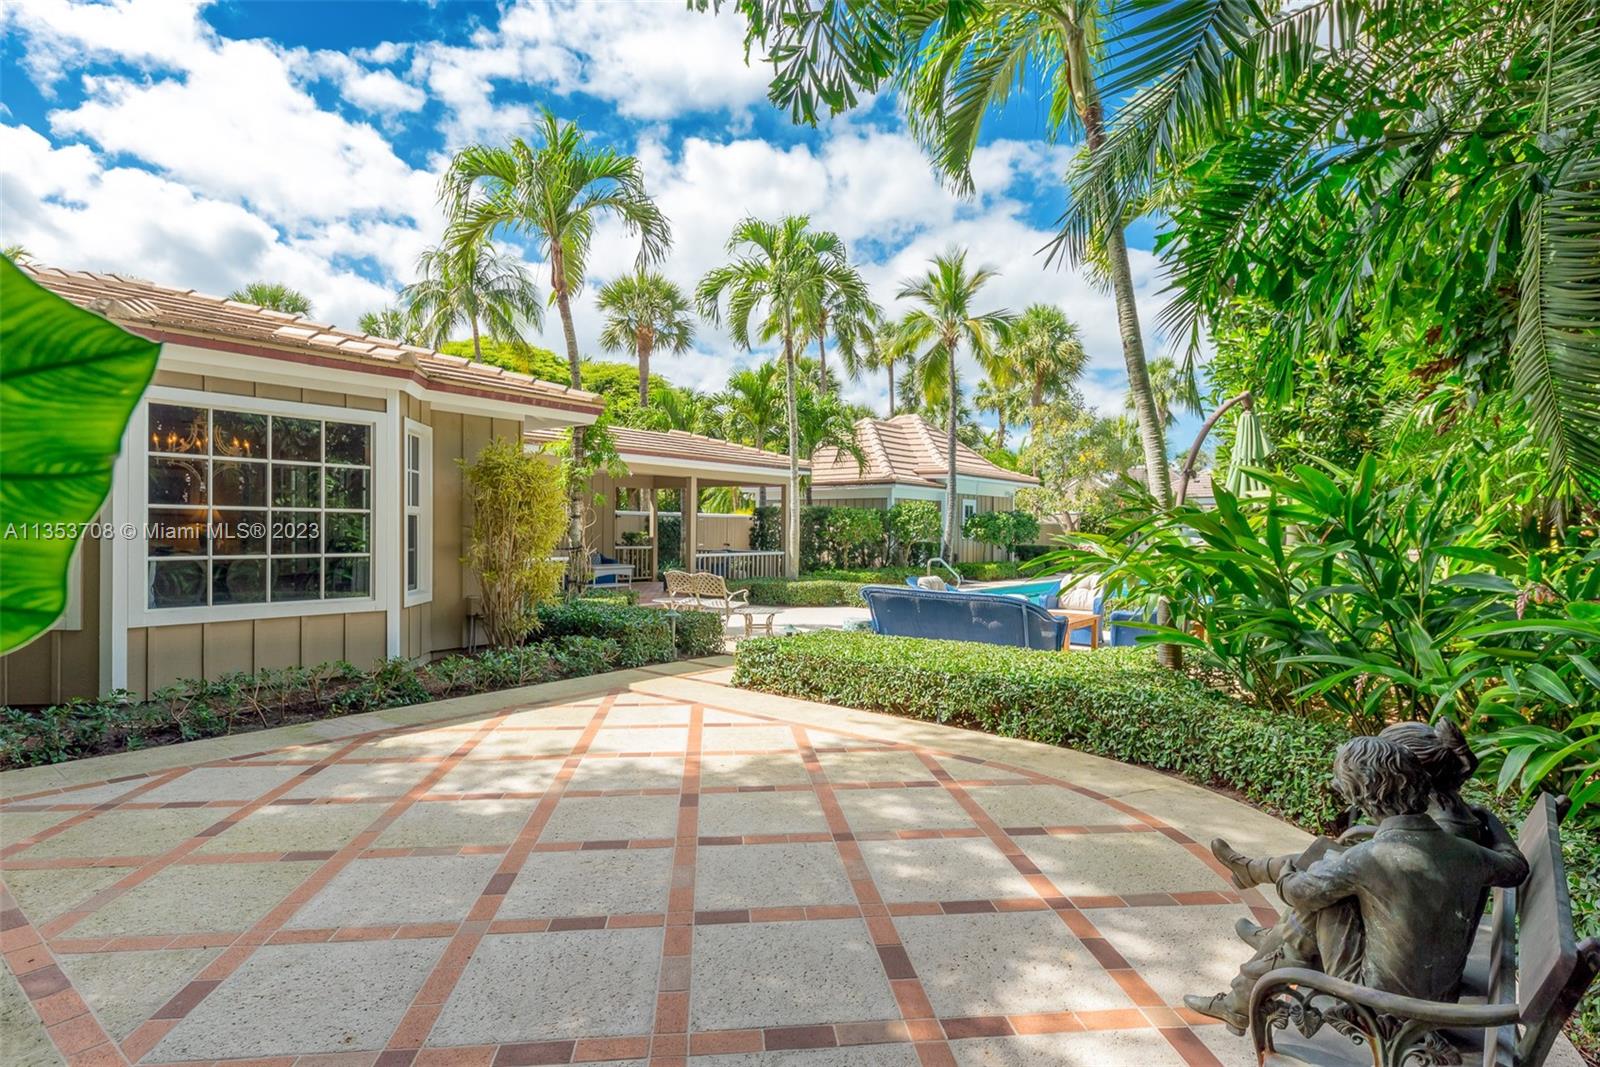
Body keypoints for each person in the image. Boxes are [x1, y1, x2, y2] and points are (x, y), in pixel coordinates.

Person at [1183, 734, 1528, 1034]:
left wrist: (1287, 870)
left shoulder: (1370, 857)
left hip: (1378, 1007)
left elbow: (1297, 893)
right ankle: (1248, 986)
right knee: (1330, 882)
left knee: (1320, 903)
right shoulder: (1462, 849)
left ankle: (1242, 997)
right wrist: (1489, 818)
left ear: (1364, 797)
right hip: (1440, 996)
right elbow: (1515, 868)